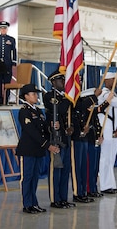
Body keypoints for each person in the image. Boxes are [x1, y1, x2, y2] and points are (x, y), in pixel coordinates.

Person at [16, 84, 59, 214]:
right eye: (33, 94)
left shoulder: (38, 111)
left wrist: (51, 127)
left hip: (38, 150)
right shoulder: (24, 111)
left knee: (35, 177)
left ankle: (34, 203)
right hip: (29, 149)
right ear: (26, 96)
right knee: (28, 177)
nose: (36, 96)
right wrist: (47, 145)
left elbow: (43, 128)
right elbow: (32, 132)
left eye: (36, 93)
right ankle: (27, 204)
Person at [43, 70, 75, 209]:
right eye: (62, 81)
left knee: (65, 169)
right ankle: (55, 199)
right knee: (56, 169)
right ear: (54, 82)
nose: (64, 83)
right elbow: (60, 109)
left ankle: (63, 198)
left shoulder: (66, 97)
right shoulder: (50, 96)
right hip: (55, 137)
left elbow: (71, 115)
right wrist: (68, 98)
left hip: (66, 138)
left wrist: (71, 127)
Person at [71, 87, 103, 203]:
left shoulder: (86, 112)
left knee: (85, 168)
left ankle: (84, 191)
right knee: (79, 168)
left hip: (85, 140)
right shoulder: (78, 109)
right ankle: (79, 192)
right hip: (79, 140)